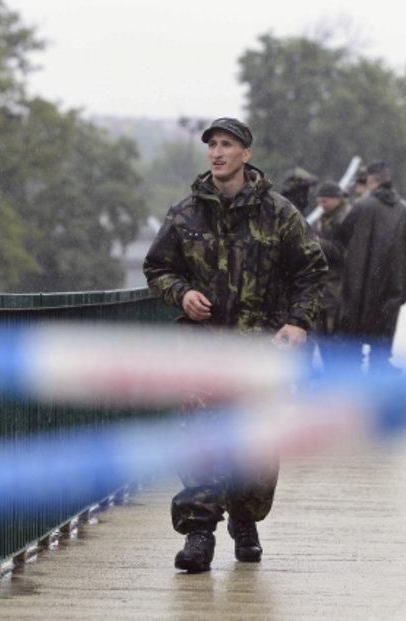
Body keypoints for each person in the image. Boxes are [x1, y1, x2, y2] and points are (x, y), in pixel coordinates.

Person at [142, 117, 327, 573]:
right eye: (212, 145)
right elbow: (157, 268)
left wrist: (298, 323)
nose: (218, 152)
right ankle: (198, 534)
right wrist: (181, 293)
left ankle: (245, 520)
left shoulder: (278, 213)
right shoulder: (186, 213)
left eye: (227, 145)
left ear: (246, 153)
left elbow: (312, 271)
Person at [333, 161, 406, 373]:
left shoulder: (362, 206)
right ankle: (379, 388)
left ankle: (353, 387)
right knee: (381, 345)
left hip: (359, 282)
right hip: (392, 283)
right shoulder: (404, 210)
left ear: (371, 180)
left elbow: (341, 233)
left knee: (353, 343)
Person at [311, 181, 353, 343]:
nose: (322, 205)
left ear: (336, 199)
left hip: (338, 288)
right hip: (323, 287)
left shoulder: (346, 218)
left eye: (325, 201)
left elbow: (346, 253)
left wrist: (318, 243)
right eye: (319, 202)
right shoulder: (324, 218)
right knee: (321, 335)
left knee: (334, 337)